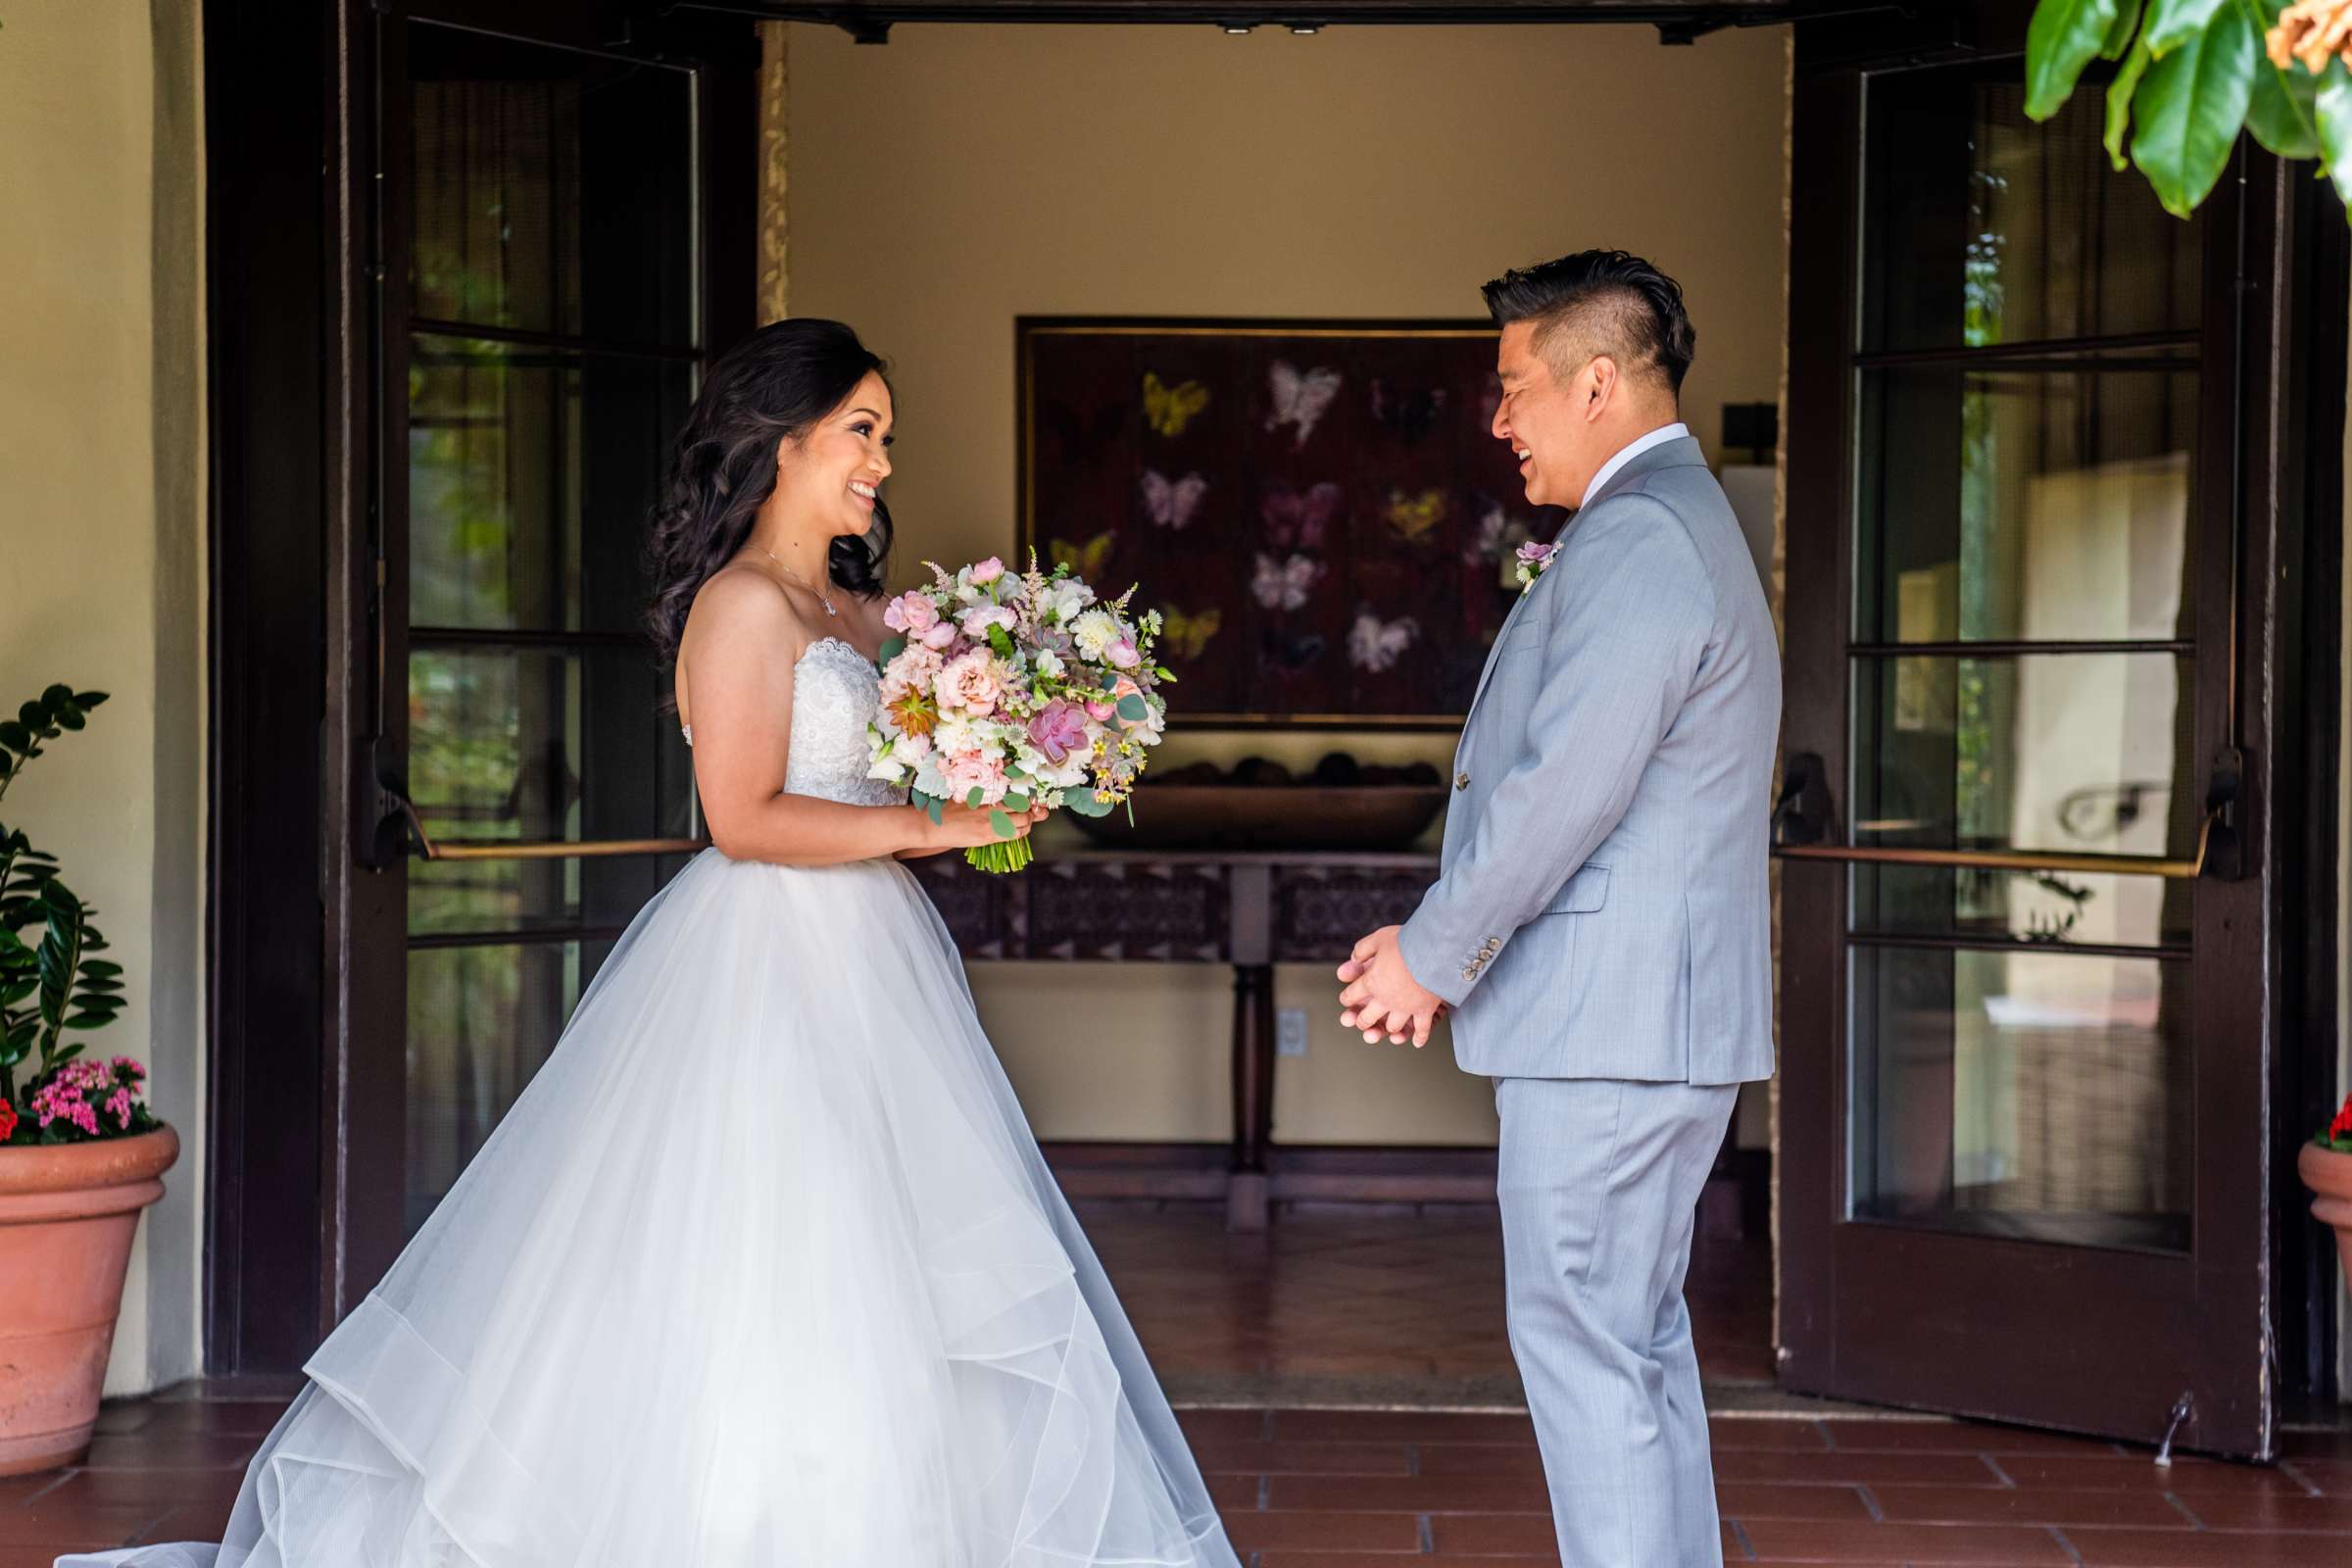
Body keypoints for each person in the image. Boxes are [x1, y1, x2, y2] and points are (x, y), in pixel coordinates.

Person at [65, 319, 1240, 1568]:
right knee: (767, 1246)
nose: (883, 463)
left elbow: (882, 771)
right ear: (783, 444)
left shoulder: (851, 605)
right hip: (764, 963)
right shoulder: (739, 607)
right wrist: (942, 819)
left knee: (892, 1260)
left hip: (873, 958)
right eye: (863, 432)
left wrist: (1011, 734)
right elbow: (743, 818)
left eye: (884, 437)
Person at [1336, 251, 1781, 1568]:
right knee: (1629, 1349)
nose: (1499, 418)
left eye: (1514, 386)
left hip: (1611, 1031)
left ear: (1598, 381)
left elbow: (1559, 794)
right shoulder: (1669, 520)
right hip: (1639, 1026)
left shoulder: (1641, 535)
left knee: (1591, 1356)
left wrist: (1432, 954)